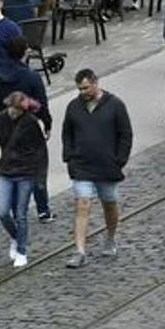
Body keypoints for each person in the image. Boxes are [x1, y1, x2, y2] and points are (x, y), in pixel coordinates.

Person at [59, 68, 131, 267]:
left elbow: (125, 134)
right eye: (80, 89)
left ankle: (110, 236)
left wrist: (119, 160)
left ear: (95, 82)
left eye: (86, 88)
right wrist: (69, 157)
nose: (83, 92)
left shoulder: (115, 105)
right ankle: (80, 250)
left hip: (107, 166)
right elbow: (67, 133)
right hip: (81, 165)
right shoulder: (73, 107)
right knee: (83, 204)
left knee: (109, 203)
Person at [0, 91, 49, 270]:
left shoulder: (31, 123)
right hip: (6, 172)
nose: (12, 112)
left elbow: (40, 152)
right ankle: (16, 237)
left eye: (17, 110)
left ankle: (21, 250)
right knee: (3, 212)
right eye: (11, 108)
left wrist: (40, 177)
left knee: (20, 214)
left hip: (25, 173)